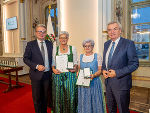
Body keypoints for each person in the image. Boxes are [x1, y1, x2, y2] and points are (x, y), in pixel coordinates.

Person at [102, 21, 139, 113]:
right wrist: (103, 70)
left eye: (115, 29)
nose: (112, 32)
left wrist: (117, 73)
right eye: (109, 30)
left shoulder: (128, 44)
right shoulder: (106, 44)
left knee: (123, 110)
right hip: (108, 84)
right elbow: (105, 61)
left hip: (122, 85)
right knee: (111, 109)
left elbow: (134, 64)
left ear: (120, 30)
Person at [23, 24, 53, 113]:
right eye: (39, 31)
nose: (41, 33)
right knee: (37, 98)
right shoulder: (30, 44)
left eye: (43, 32)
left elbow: (53, 58)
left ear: (46, 33)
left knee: (45, 98)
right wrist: (36, 66)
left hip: (48, 75)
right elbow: (25, 58)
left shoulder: (50, 43)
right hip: (36, 75)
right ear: (36, 33)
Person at [78, 39, 106, 113]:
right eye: (85, 46)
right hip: (83, 84)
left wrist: (94, 75)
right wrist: (78, 73)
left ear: (93, 46)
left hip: (94, 82)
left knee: (95, 101)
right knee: (84, 101)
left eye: (89, 46)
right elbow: (79, 69)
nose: (87, 47)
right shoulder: (80, 56)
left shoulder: (97, 56)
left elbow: (100, 70)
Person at [52, 31, 78, 113]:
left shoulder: (72, 48)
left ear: (68, 39)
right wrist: (53, 69)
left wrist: (75, 68)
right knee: (58, 97)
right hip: (58, 75)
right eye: (61, 38)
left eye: (65, 37)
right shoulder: (55, 49)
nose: (63, 39)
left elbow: (76, 62)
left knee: (70, 96)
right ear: (59, 39)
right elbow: (53, 62)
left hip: (70, 76)